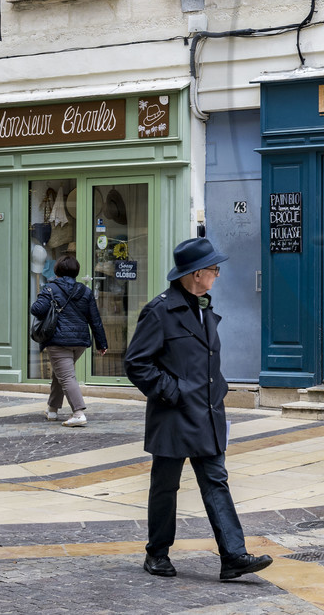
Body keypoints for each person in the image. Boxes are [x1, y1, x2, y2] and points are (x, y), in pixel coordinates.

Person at [124, 234, 273, 581]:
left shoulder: (204, 307)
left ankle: (233, 556)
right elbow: (136, 363)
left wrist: (217, 390)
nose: (217, 275)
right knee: (166, 486)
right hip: (173, 415)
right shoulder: (160, 310)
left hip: (206, 414)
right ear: (194, 274)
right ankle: (157, 553)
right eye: (213, 270)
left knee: (216, 481)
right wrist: (172, 391)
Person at [29, 253, 108, 427]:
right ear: (76, 272)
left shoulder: (50, 288)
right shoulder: (85, 291)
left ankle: (78, 413)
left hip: (58, 341)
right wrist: (101, 343)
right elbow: (95, 319)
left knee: (66, 376)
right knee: (60, 373)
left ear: (57, 270)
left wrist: (44, 298)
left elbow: (37, 310)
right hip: (79, 342)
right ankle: (52, 409)